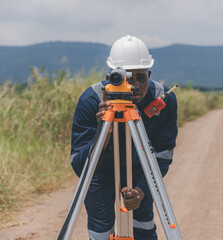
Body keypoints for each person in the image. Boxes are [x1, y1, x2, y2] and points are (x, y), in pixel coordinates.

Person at [70, 35, 178, 240]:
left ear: (150, 73)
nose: (134, 86)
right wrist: (103, 133)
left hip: (141, 170)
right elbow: (78, 165)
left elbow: (163, 155)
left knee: (143, 227)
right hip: (99, 171)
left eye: (140, 77)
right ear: (113, 76)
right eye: (126, 78)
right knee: (100, 231)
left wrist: (142, 190)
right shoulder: (91, 100)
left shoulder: (164, 101)